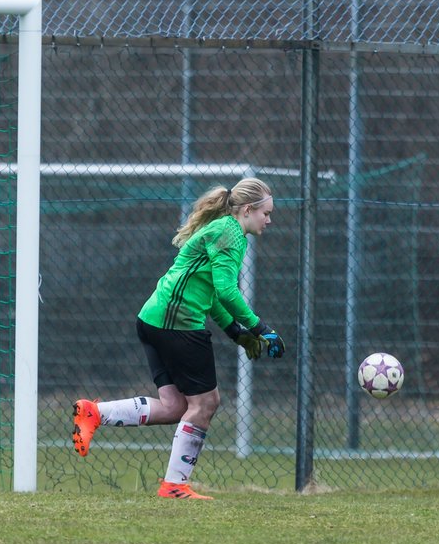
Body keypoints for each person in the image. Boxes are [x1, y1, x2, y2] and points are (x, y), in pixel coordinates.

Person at [71, 178, 286, 499]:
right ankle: (174, 485)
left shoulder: (224, 230)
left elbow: (212, 294)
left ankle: (94, 413)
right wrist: (260, 328)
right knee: (206, 403)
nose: (269, 220)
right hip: (177, 323)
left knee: (174, 407)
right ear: (247, 210)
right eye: (265, 213)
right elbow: (227, 291)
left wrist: (236, 333)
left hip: (154, 319)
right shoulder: (231, 234)